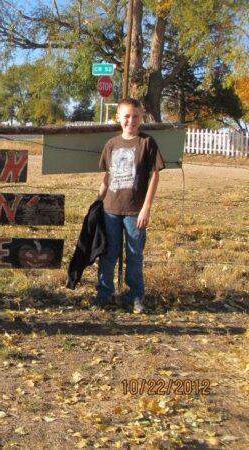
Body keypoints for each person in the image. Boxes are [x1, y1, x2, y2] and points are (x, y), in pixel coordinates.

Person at [94, 98, 164, 313]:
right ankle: (104, 295)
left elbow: (154, 176)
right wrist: (97, 202)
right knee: (109, 253)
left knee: (134, 254)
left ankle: (135, 296)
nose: (131, 121)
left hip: (135, 211)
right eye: (126, 116)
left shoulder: (147, 143)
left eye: (135, 116)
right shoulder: (112, 144)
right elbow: (108, 176)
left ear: (142, 118)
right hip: (110, 209)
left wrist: (146, 208)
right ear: (118, 118)